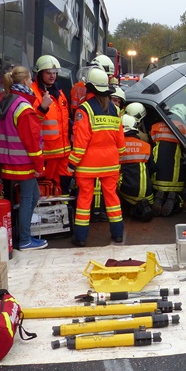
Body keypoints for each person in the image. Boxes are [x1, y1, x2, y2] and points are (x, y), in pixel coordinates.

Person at [67, 69, 125, 246]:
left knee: (85, 200)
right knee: (112, 199)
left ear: (89, 87)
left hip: (88, 165)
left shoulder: (84, 109)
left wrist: (72, 163)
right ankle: (118, 234)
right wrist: (115, 157)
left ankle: (81, 238)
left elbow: (80, 142)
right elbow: (121, 142)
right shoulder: (115, 109)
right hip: (111, 163)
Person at [0, 66, 47, 251]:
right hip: (24, 162)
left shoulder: (7, 100)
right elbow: (32, 141)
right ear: (26, 81)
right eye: (30, 79)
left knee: (33, 196)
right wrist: (39, 165)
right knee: (27, 198)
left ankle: (23, 235)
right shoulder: (23, 107)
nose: (32, 82)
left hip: (10, 159)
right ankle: (25, 239)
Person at [31, 55, 72, 194]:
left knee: (64, 187)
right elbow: (30, 122)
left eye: (54, 73)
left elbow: (63, 120)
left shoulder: (59, 92)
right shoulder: (34, 93)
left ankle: (63, 206)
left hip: (63, 152)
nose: (52, 76)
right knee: (46, 188)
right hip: (47, 153)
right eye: (48, 72)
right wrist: (42, 108)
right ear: (40, 73)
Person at [150, 103, 186, 217]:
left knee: (158, 187)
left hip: (158, 170)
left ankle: (159, 196)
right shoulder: (184, 128)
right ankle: (174, 197)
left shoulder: (156, 126)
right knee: (177, 190)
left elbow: (152, 141)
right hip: (174, 170)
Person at [118, 114, 156, 222]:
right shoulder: (146, 146)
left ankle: (130, 207)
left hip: (127, 191)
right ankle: (143, 206)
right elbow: (153, 168)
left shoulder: (118, 147)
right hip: (148, 192)